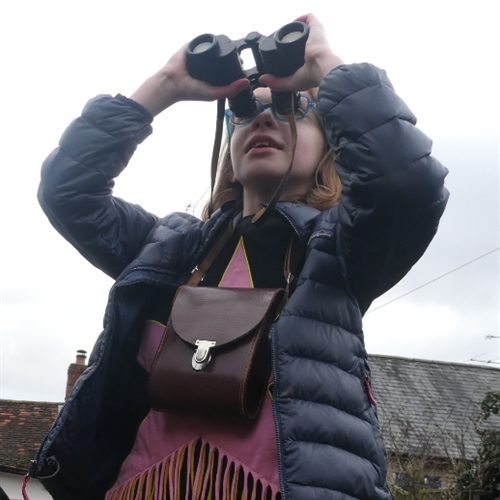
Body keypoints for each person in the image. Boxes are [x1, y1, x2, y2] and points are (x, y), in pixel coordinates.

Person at [32, 13, 449, 500]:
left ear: (331, 148)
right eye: (246, 112)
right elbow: (68, 192)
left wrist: (325, 66)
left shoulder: (341, 250)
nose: (264, 118)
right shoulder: (169, 248)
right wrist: (164, 85)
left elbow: (406, 185)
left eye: (294, 109)